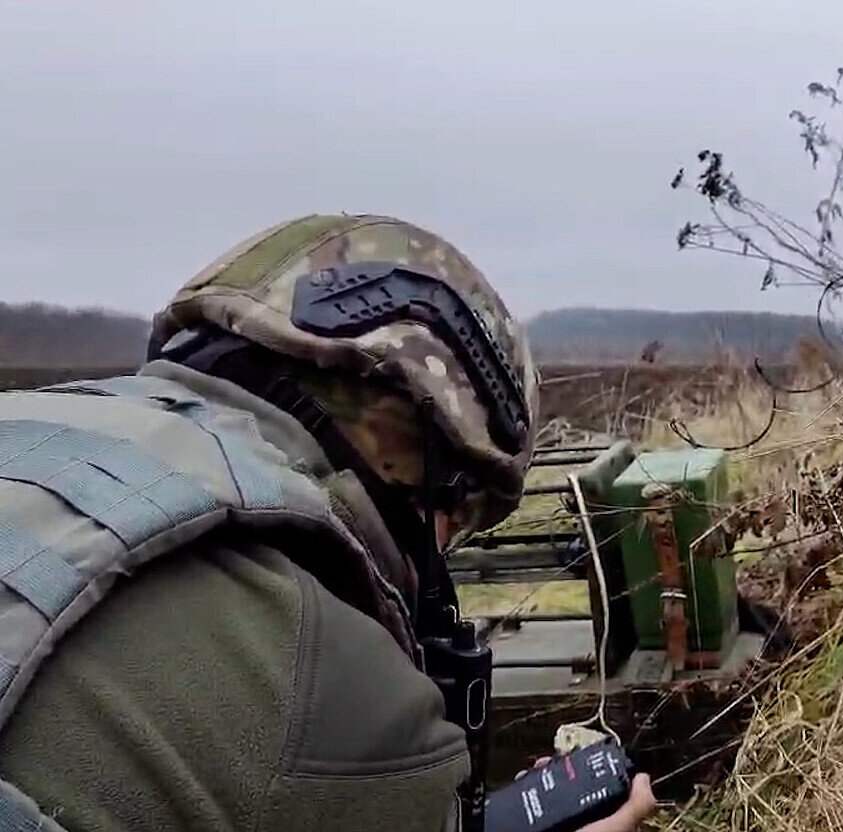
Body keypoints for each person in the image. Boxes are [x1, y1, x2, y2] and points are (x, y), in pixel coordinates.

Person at [0, 215, 656, 831]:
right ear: (406, 451)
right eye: (457, 513)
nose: (446, 543)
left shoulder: (25, 421)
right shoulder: (342, 686)